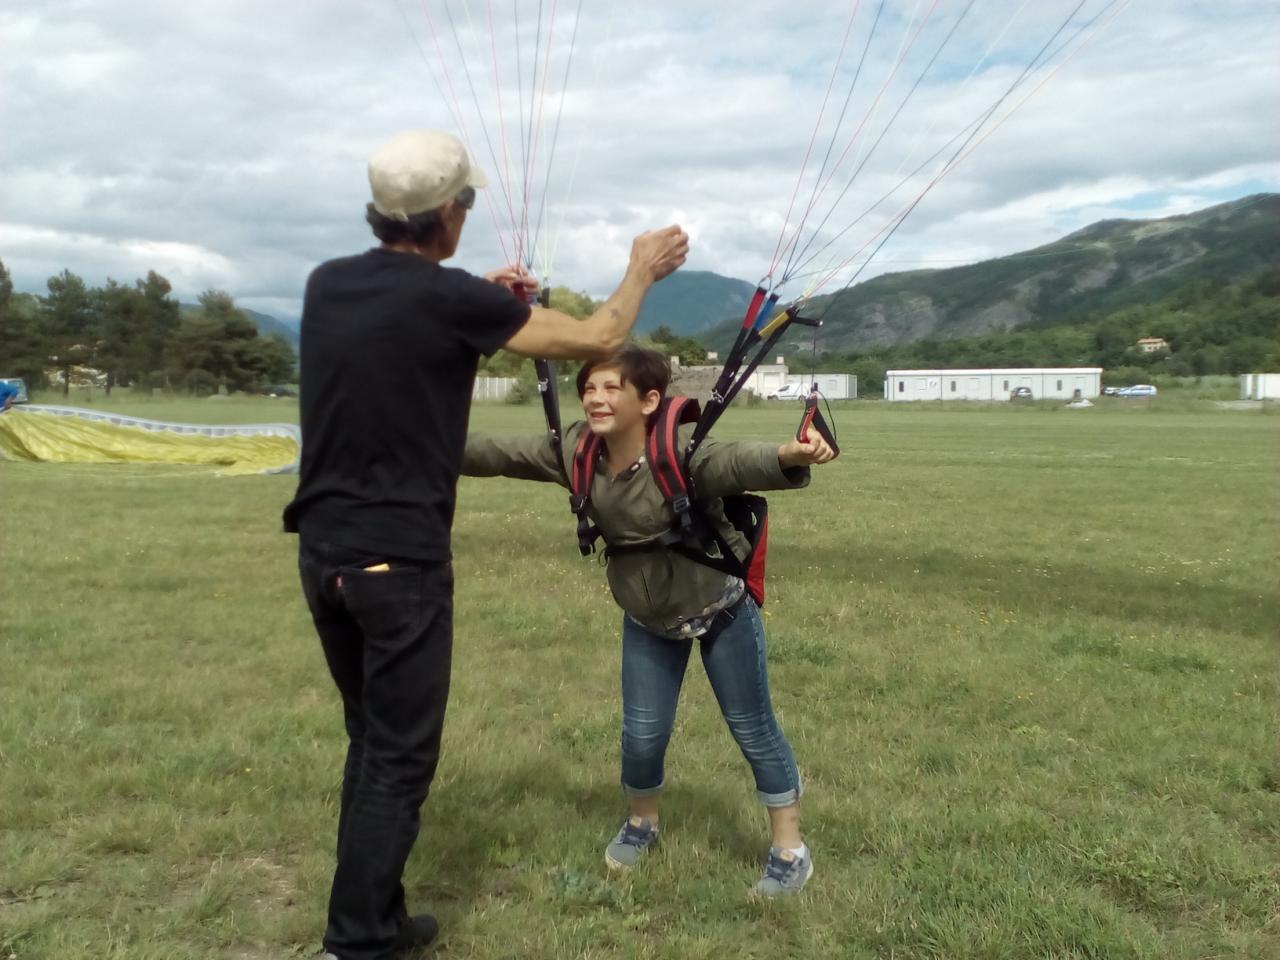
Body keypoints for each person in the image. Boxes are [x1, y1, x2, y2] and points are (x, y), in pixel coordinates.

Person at [282, 130, 689, 960]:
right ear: (447, 213)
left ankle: (381, 919)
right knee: (399, 760)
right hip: (399, 564)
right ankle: (355, 943)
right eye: (466, 203)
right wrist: (641, 267)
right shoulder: (450, 301)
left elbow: (413, 318)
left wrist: (478, 295)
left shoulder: (329, 285)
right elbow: (598, 337)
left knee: (371, 742)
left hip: (322, 554)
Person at [462, 344, 837, 897]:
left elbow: (736, 461)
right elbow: (501, 452)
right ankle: (642, 823)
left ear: (649, 400)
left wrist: (790, 454)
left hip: (720, 611)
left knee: (753, 730)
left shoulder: (681, 452)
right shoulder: (577, 453)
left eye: (612, 388)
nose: (596, 397)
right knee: (641, 735)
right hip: (646, 620)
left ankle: (790, 851)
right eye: (589, 387)